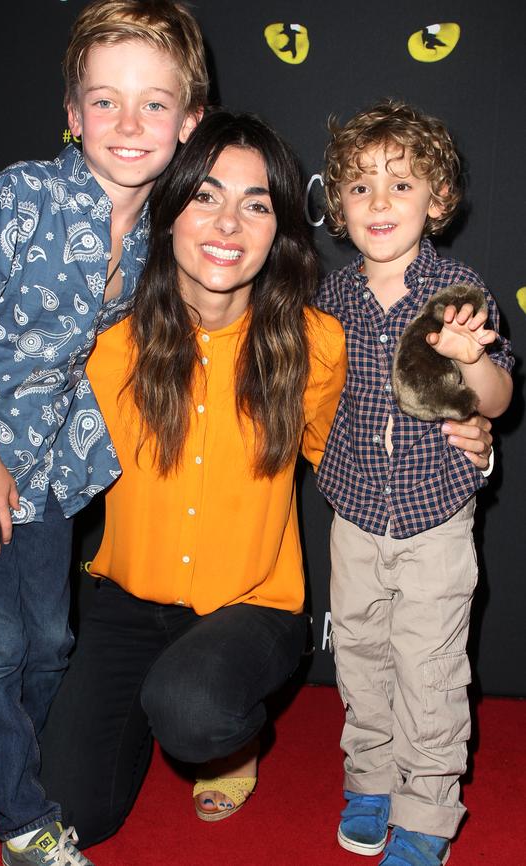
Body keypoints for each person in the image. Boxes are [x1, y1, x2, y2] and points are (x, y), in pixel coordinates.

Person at [0, 2, 207, 864]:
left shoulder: (152, 237)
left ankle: (35, 769)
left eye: (154, 104)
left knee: (52, 642)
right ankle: (22, 824)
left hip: (52, 464)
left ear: (189, 121)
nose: (129, 124)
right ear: (72, 115)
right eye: (105, 101)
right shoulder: (19, 196)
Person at [38, 108, 348, 848]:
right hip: (125, 605)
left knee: (194, 708)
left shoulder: (314, 346)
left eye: (257, 203)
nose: (228, 224)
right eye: (205, 196)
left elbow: (353, 458)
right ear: (169, 209)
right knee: (71, 815)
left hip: (252, 607)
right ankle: (155, 705)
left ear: (280, 230)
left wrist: (462, 438)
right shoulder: (108, 345)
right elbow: (7, 427)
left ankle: (224, 737)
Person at [317, 99, 514, 865]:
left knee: (430, 668)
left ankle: (429, 807)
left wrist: (470, 359)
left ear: (438, 202)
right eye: (360, 186)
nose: (379, 202)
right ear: (337, 205)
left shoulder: (458, 291)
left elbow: (497, 400)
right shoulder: (329, 301)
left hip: (437, 521)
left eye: (401, 185)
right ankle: (368, 778)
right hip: (355, 516)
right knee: (361, 656)